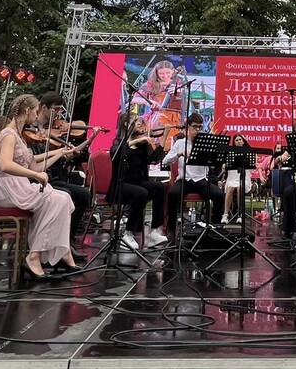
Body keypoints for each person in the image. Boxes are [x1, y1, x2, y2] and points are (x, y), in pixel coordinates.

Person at [0, 94, 79, 280]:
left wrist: (59, 153)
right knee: (56, 200)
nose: (37, 115)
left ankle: (57, 252)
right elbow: (5, 165)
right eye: (36, 111)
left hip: (19, 185)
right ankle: (35, 256)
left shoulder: (19, 135)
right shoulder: (8, 134)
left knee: (63, 198)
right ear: (27, 111)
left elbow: (36, 167)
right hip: (7, 187)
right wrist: (35, 176)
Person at [35, 93, 93, 254]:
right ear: (44, 107)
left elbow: (66, 156)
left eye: (61, 110)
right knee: (67, 193)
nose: (59, 115)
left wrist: (88, 140)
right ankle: (55, 242)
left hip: (54, 176)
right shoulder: (32, 129)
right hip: (38, 178)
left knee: (84, 194)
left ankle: (68, 239)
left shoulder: (54, 131)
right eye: (56, 109)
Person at [108, 115, 169, 250]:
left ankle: (154, 231)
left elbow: (153, 160)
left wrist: (164, 138)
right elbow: (114, 154)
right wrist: (134, 141)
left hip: (138, 182)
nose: (141, 125)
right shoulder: (118, 142)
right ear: (126, 124)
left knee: (160, 187)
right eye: (137, 122)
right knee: (141, 193)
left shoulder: (142, 144)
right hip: (121, 185)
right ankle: (127, 233)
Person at [163, 113, 223, 234]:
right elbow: (165, 161)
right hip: (184, 180)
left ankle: (216, 227)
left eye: (200, 127)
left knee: (219, 195)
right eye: (195, 127)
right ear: (188, 127)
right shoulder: (180, 143)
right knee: (173, 193)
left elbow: (215, 162)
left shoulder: (205, 144)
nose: (197, 130)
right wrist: (179, 154)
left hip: (201, 180)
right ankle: (171, 229)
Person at [136, 60, 187, 150]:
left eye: (168, 73)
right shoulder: (151, 84)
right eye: (161, 73)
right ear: (156, 73)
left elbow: (184, 105)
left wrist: (179, 92)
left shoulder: (178, 83)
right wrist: (148, 101)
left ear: (173, 71)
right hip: (156, 114)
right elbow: (135, 98)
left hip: (174, 117)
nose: (165, 76)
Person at [221, 134, 255, 223]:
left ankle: (240, 214)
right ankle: (225, 215)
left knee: (240, 186)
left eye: (240, 139)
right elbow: (224, 166)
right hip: (232, 178)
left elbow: (252, 167)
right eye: (236, 140)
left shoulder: (248, 152)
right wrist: (224, 165)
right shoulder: (230, 153)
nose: (239, 141)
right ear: (234, 143)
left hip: (244, 178)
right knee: (230, 188)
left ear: (243, 141)